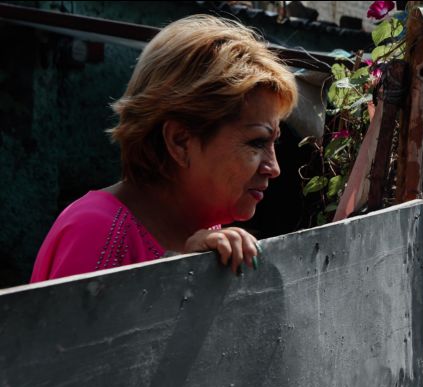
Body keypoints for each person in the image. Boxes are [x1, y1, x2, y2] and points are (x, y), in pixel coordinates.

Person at [30, 15, 297, 283]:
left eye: (273, 142)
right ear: (180, 141)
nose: (273, 168)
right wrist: (179, 273)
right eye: (256, 142)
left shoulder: (203, 230)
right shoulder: (96, 231)